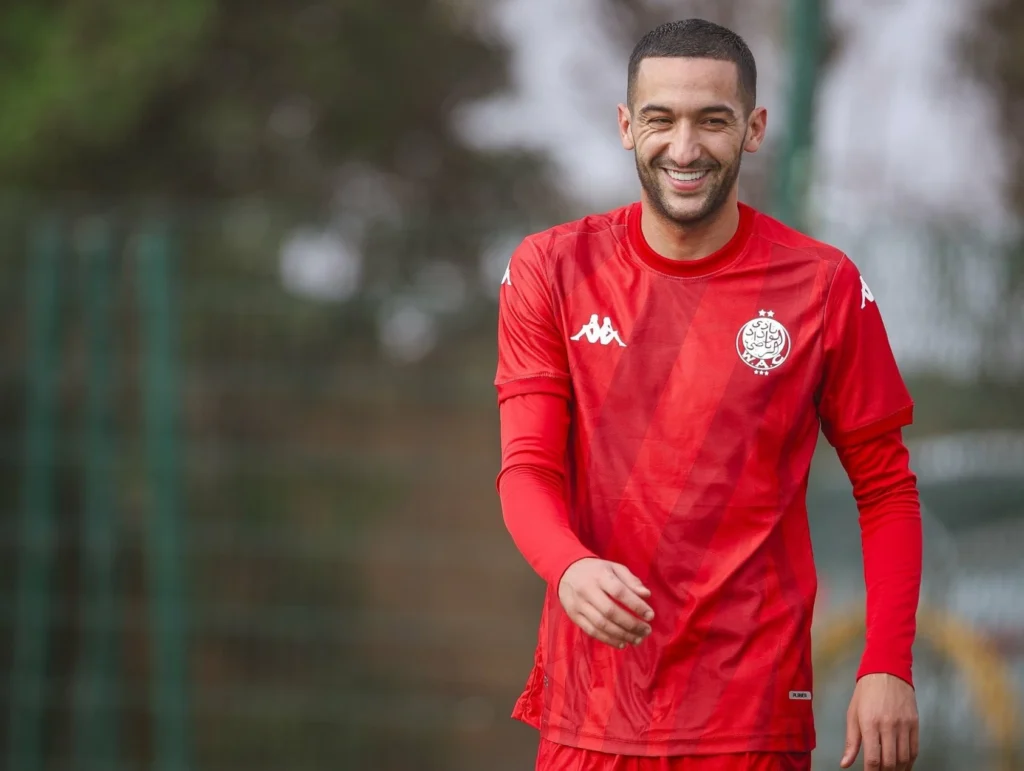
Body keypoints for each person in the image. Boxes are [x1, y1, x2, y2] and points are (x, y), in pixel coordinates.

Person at [493, 17, 923, 771]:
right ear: (627, 126)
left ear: (753, 129)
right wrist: (569, 566)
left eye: (713, 121)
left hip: (751, 712)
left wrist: (887, 662)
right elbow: (527, 469)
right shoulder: (551, 269)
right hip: (592, 709)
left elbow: (886, 487)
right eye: (661, 119)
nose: (685, 148)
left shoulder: (823, 285)